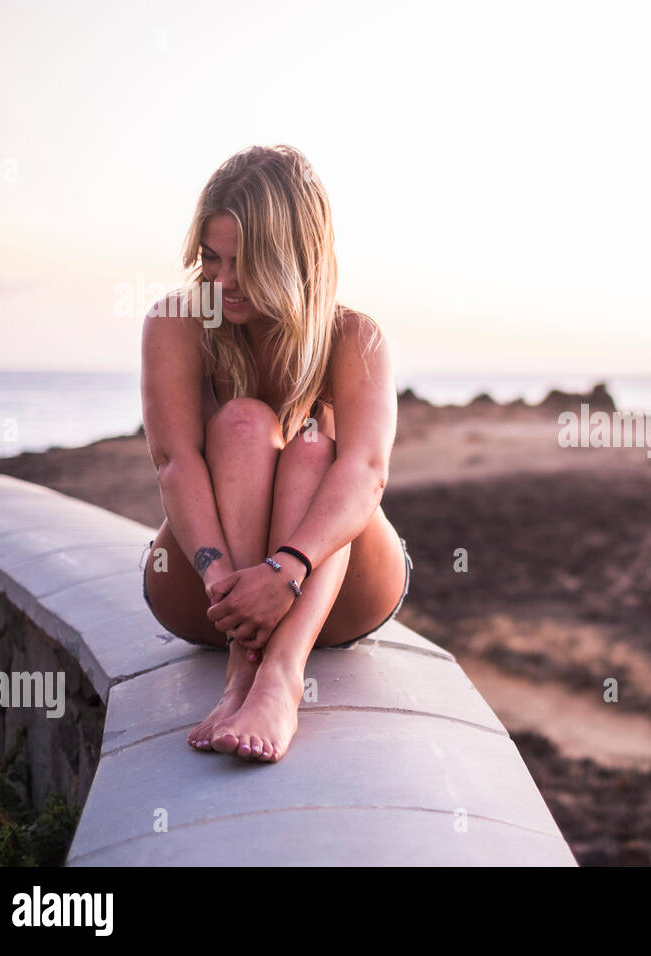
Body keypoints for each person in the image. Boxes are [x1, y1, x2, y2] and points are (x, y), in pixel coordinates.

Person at [139, 145, 411, 763]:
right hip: (210, 595)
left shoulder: (352, 337)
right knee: (242, 422)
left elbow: (367, 474)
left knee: (316, 447)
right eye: (211, 257)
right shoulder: (177, 323)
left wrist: (284, 571)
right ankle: (242, 671)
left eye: (246, 262)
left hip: (336, 590)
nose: (221, 279)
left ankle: (281, 678)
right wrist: (228, 591)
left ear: (291, 259)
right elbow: (174, 464)